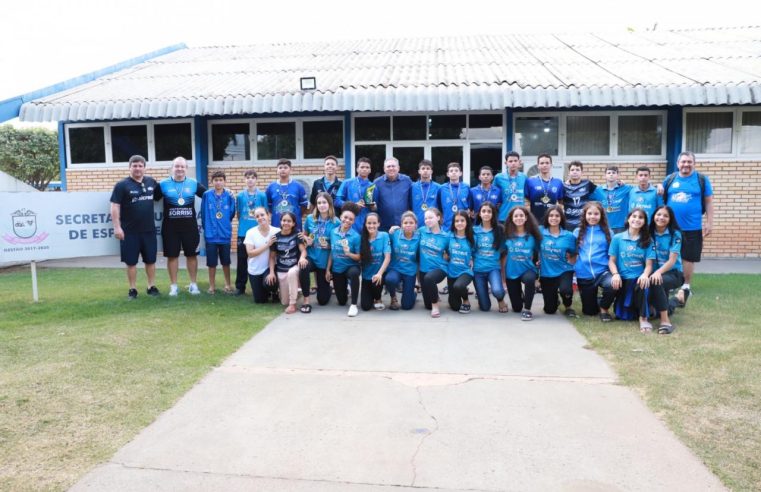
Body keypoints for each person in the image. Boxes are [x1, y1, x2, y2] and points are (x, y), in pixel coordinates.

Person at [662, 151, 714, 307]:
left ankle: (686, 285)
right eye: (683, 162)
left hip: (693, 227)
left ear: (694, 163)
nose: (686, 164)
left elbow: (709, 202)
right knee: (669, 254)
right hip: (671, 227)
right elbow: (661, 196)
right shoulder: (670, 179)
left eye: (689, 162)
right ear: (678, 164)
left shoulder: (702, 180)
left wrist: (709, 222)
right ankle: (670, 283)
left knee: (688, 257)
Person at [153, 156, 207, 296]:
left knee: (192, 256)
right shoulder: (163, 184)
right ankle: (173, 286)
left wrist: (227, 191)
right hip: (170, 228)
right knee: (172, 257)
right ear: (172, 168)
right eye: (177, 166)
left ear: (186, 169)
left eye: (182, 166)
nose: (179, 169)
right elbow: (150, 199)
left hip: (190, 228)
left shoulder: (193, 183)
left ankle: (193, 285)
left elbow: (209, 195)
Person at [110, 154, 159, 299]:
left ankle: (151, 286)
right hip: (129, 232)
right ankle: (132, 289)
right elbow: (114, 206)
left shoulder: (151, 182)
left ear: (144, 167)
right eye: (134, 166)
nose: (137, 168)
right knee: (131, 262)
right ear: (129, 167)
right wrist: (117, 227)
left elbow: (161, 196)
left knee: (150, 260)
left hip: (148, 231)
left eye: (140, 166)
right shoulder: (122, 185)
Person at [608, 208, 656, 332]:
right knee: (623, 316)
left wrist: (645, 275)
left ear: (645, 222)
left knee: (643, 284)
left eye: (641, 217)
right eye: (634, 216)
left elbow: (649, 265)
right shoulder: (617, 238)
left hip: (638, 279)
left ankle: (643, 319)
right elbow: (611, 261)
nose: (637, 219)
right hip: (622, 279)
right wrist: (615, 274)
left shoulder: (648, 240)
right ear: (628, 219)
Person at [573, 202, 616, 320]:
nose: (593, 216)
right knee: (589, 312)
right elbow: (572, 252)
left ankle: (604, 310)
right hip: (584, 274)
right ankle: (596, 300)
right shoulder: (577, 232)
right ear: (585, 215)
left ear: (601, 215)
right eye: (590, 213)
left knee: (612, 284)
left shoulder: (608, 232)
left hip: (603, 272)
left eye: (596, 214)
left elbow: (612, 254)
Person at [299, 192, 340, 308]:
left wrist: (329, 246)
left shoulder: (336, 222)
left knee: (322, 300)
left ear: (330, 204)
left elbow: (338, 244)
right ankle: (306, 299)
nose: (321, 205)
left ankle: (327, 288)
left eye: (324, 202)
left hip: (325, 261)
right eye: (319, 203)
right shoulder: (310, 219)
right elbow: (304, 235)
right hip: (312, 256)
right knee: (303, 266)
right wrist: (307, 239)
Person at [649, 205, 684, 334]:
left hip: (674, 273)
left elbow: (672, 261)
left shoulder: (675, 234)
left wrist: (657, 272)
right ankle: (677, 299)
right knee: (658, 307)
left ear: (670, 219)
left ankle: (665, 322)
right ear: (653, 217)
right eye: (658, 214)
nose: (661, 218)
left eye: (665, 216)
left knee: (657, 281)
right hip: (654, 273)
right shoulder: (648, 232)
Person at [502, 206, 541, 321]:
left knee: (529, 280)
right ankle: (521, 298)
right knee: (516, 307)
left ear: (526, 218)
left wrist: (539, 275)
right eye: (516, 216)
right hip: (511, 272)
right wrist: (503, 276)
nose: (519, 218)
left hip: (527, 269)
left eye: (521, 215)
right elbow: (502, 256)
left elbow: (540, 253)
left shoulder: (533, 236)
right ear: (511, 218)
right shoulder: (506, 235)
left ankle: (527, 309)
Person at [201, 171, 236, 294]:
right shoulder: (206, 195)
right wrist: (207, 228)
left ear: (224, 181)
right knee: (211, 263)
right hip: (211, 235)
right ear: (212, 182)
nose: (218, 182)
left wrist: (224, 224)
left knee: (226, 261)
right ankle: (212, 286)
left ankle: (228, 284)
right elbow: (204, 213)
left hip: (224, 234)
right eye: (216, 180)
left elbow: (232, 213)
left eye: (221, 180)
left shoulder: (229, 196)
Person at [538, 205, 577, 317]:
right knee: (550, 310)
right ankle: (555, 300)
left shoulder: (569, 236)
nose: (554, 218)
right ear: (547, 217)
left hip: (564, 270)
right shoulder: (540, 232)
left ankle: (568, 307)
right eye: (551, 215)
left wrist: (571, 264)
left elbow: (574, 253)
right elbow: (534, 248)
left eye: (557, 216)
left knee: (565, 290)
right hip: (547, 273)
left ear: (561, 218)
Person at [234, 169, 268, 296]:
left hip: (258, 232)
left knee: (259, 258)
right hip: (243, 232)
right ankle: (240, 287)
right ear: (244, 179)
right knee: (242, 260)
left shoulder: (262, 195)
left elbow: (266, 213)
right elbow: (238, 213)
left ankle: (259, 284)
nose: (250, 179)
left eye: (252, 177)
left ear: (256, 179)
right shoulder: (240, 196)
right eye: (247, 177)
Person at [266, 211, 307, 314]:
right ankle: (295, 293)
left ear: (293, 223)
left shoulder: (297, 235)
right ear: (280, 222)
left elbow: (303, 251)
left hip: (294, 268)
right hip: (281, 269)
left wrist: (302, 258)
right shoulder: (275, 237)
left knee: (292, 273)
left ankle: (292, 305)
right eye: (284, 220)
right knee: (284, 301)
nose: (286, 223)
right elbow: (272, 257)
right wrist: (271, 272)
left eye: (289, 221)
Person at [327, 203, 362, 316]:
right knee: (341, 302)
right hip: (338, 269)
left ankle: (354, 305)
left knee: (354, 273)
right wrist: (328, 269)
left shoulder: (356, 236)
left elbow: (359, 257)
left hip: (351, 266)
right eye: (345, 217)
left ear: (354, 221)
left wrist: (349, 254)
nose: (347, 220)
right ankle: (345, 289)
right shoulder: (333, 232)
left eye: (351, 219)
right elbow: (331, 252)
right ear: (341, 217)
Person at [472, 202, 508, 313]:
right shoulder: (474, 230)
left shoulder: (500, 230)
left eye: (489, 211)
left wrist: (503, 278)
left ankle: (501, 300)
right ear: (479, 214)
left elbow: (504, 254)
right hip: (478, 270)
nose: (486, 214)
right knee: (485, 308)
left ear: (493, 214)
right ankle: (481, 297)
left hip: (493, 268)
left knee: (497, 291)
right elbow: (470, 251)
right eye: (483, 211)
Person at [418, 207, 450, 318]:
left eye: (430, 217)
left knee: (429, 278)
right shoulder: (421, 231)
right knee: (427, 305)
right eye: (426, 218)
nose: (428, 220)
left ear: (438, 217)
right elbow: (407, 232)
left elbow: (452, 253)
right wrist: (395, 229)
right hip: (423, 269)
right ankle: (433, 296)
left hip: (439, 268)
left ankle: (435, 306)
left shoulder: (446, 236)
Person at [385, 211, 420, 311]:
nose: (408, 225)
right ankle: (393, 298)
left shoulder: (419, 236)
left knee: (407, 306)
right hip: (395, 268)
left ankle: (413, 292)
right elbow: (385, 242)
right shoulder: (394, 233)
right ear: (401, 225)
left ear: (415, 225)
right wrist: (390, 230)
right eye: (405, 223)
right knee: (390, 279)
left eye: (411, 223)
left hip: (410, 271)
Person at [244, 207, 279, 303]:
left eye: (262, 215)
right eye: (257, 216)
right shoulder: (250, 232)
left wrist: (304, 237)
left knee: (270, 284)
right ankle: (266, 292)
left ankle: (275, 291)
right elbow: (250, 253)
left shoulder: (276, 231)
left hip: (270, 267)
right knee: (260, 300)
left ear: (268, 215)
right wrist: (267, 244)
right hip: (255, 269)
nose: (260, 218)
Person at [359, 213, 391, 311]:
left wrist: (380, 274)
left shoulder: (384, 235)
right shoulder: (361, 238)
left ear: (379, 224)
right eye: (369, 223)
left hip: (379, 274)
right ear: (365, 224)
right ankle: (372, 295)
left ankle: (378, 298)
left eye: (374, 223)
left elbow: (387, 257)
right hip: (366, 276)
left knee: (376, 281)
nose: (371, 226)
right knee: (365, 306)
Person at [372, 156, 412, 232]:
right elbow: (374, 203)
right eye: (388, 166)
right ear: (384, 169)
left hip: (404, 225)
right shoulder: (377, 183)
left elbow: (411, 200)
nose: (391, 168)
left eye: (393, 166)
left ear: (398, 168)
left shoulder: (407, 181)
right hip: (383, 226)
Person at [265, 158, 308, 229]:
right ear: (277, 170)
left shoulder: (299, 186)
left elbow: (304, 206)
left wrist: (295, 214)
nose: (283, 169)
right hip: (277, 225)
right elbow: (268, 206)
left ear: (290, 170)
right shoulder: (271, 187)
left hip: (295, 226)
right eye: (280, 167)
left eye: (285, 167)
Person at [335, 157, 374, 233]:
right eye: (362, 167)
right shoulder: (347, 183)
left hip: (367, 224)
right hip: (349, 223)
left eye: (367, 167)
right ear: (357, 169)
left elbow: (375, 208)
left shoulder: (372, 186)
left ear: (370, 170)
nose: (364, 169)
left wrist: (374, 206)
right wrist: (352, 206)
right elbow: (337, 201)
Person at [447, 211, 475, 313]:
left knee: (458, 286)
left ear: (467, 222)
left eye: (462, 220)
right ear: (453, 223)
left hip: (465, 271)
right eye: (457, 221)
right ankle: (460, 291)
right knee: (455, 306)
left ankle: (466, 300)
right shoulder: (449, 236)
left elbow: (478, 253)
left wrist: (473, 261)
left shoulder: (472, 237)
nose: (459, 223)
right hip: (451, 273)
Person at [591, 165, 633, 233]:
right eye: (609, 173)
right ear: (605, 175)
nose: (611, 175)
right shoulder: (598, 190)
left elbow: (639, 189)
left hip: (621, 226)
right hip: (604, 226)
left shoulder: (626, 188)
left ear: (618, 175)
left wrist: (656, 186)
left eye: (613, 173)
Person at [525, 153, 564, 222]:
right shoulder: (530, 181)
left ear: (551, 165)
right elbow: (526, 201)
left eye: (547, 163)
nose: (544, 165)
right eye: (542, 163)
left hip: (552, 221)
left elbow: (561, 202)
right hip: (534, 221)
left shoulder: (558, 182)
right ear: (538, 166)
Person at [562, 160, 597, 231]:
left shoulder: (587, 183)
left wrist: (618, 183)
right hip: (568, 223)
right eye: (572, 170)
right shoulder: (563, 186)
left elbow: (601, 190)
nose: (575, 172)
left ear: (582, 172)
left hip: (583, 223)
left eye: (577, 170)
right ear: (569, 173)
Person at [436, 162, 470, 232]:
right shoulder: (442, 188)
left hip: (462, 224)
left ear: (460, 173)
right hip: (447, 225)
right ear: (447, 174)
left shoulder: (466, 187)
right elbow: (439, 205)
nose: (454, 173)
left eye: (456, 170)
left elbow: (469, 205)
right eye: (451, 171)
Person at [494, 151, 528, 221]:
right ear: (506, 163)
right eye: (510, 161)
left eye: (515, 161)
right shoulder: (498, 177)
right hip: (504, 216)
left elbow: (527, 197)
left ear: (519, 162)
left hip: (520, 217)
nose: (513, 163)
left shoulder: (524, 177)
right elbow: (494, 195)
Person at [411, 159, 440, 226]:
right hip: (416, 225)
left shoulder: (438, 188)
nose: (425, 170)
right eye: (423, 168)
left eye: (428, 168)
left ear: (431, 171)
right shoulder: (412, 187)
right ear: (419, 171)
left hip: (433, 225)